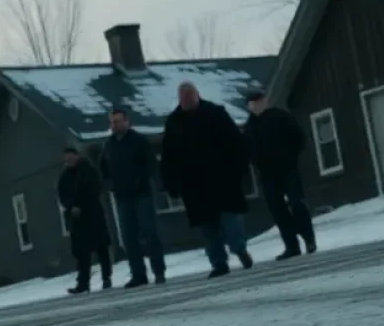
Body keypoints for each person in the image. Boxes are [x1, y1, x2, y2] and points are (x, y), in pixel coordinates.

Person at [161, 81, 254, 278]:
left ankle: (239, 248)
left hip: (222, 176)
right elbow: (168, 156)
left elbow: (235, 142)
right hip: (193, 184)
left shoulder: (215, 113)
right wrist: (171, 183)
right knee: (207, 225)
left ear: (197, 95)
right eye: (183, 98)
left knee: (230, 217)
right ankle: (218, 262)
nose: (187, 101)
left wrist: (239, 169)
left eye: (189, 97)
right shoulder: (174, 122)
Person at [244, 91, 316, 260]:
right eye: (252, 103)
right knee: (278, 210)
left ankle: (309, 239)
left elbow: (299, 137)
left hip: (288, 168)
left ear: (266, 102)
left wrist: (290, 156)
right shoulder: (250, 126)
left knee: (297, 203)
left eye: (259, 102)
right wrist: (256, 162)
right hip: (267, 174)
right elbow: (247, 149)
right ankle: (291, 245)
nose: (256, 106)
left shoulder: (280, 117)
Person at [99, 109, 166, 288]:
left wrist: (142, 179)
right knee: (129, 237)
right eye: (112, 122)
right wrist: (110, 185)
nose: (115, 125)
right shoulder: (109, 145)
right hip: (122, 197)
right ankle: (138, 274)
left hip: (141, 193)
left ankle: (158, 271)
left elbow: (151, 164)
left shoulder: (138, 141)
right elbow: (103, 170)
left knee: (149, 232)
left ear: (127, 122)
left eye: (118, 121)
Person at [58, 146, 113, 295]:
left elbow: (94, 189)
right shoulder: (64, 177)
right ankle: (83, 283)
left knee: (101, 248)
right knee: (82, 252)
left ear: (76, 156)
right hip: (77, 220)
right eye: (66, 157)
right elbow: (62, 195)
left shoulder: (88, 170)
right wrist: (71, 207)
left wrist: (81, 205)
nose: (68, 159)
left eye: (70, 156)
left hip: (93, 214)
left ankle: (106, 277)